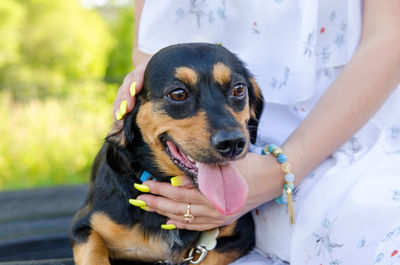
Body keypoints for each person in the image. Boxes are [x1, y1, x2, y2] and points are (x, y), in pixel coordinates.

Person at [113, 0, 400, 264]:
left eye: (239, 90)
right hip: (192, 148)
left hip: (339, 134)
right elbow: (147, 41)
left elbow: (388, 36)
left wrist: (281, 170)